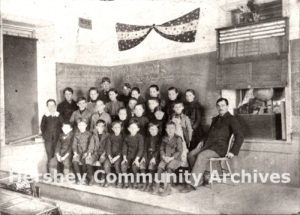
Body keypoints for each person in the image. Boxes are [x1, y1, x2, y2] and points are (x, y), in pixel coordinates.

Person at [181, 98, 244, 192]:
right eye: (218, 106)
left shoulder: (232, 119)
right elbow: (209, 134)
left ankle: (192, 184)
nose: (220, 108)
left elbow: (240, 136)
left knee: (202, 155)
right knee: (190, 155)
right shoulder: (215, 119)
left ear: (227, 106)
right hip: (208, 146)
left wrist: (233, 151)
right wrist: (202, 141)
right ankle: (201, 179)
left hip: (220, 148)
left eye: (223, 105)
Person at [153, 121, 183, 196]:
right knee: (160, 167)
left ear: (175, 129)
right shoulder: (164, 138)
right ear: (166, 129)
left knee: (169, 168)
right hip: (165, 158)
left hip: (175, 159)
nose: (170, 130)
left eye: (172, 128)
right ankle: (157, 187)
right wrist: (163, 156)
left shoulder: (178, 138)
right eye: (168, 128)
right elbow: (161, 149)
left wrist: (171, 158)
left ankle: (168, 188)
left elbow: (179, 151)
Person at [41, 99, 63, 172]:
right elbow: (42, 127)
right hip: (48, 140)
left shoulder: (58, 115)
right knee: (50, 155)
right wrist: (45, 136)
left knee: (57, 154)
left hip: (57, 139)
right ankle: (50, 173)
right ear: (47, 106)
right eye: (49, 105)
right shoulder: (45, 116)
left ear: (55, 106)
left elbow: (62, 126)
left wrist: (60, 136)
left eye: (53, 105)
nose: (51, 107)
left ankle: (59, 172)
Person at [121, 120, 144, 189]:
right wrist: (124, 158)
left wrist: (137, 159)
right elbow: (124, 148)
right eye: (131, 128)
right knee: (123, 166)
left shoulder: (140, 137)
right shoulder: (127, 137)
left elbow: (141, 149)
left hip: (137, 156)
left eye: (134, 128)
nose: (133, 129)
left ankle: (135, 182)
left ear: (138, 129)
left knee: (134, 167)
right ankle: (126, 181)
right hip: (128, 156)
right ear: (128, 129)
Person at [86, 119, 109, 186]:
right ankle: (91, 178)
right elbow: (91, 146)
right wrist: (89, 154)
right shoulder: (94, 135)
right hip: (95, 153)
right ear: (96, 127)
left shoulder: (107, 135)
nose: (100, 128)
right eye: (99, 126)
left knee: (102, 161)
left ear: (104, 127)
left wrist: (103, 154)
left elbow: (107, 146)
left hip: (104, 153)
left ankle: (102, 178)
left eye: (102, 126)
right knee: (88, 160)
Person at [170, 101, 193, 168]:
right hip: (174, 136)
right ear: (173, 108)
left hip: (182, 137)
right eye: (176, 107)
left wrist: (189, 140)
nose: (177, 108)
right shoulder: (171, 117)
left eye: (179, 107)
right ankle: (175, 166)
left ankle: (184, 167)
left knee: (183, 151)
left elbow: (189, 129)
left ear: (182, 107)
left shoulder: (185, 117)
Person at [140, 122, 161, 192]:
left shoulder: (160, 138)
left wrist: (154, 158)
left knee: (151, 166)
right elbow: (145, 149)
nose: (153, 131)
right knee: (142, 165)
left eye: (155, 129)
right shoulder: (147, 138)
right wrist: (143, 157)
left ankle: (150, 183)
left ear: (157, 130)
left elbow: (158, 150)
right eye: (151, 129)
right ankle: (144, 183)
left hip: (156, 157)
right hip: (148, 155)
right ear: (149, 130)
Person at [72, 118, 91, 184]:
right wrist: (75, 153)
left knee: (84, 162)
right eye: (79, 125)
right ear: (78, 126)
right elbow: (74, 145)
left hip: (86, 153)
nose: (81, 127)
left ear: (86, 125)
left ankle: (84, 178)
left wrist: (87, 153)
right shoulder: (76, 134)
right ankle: (78, 178)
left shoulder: (89, 134)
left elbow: (90, 145)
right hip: (78, 153)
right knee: (74, 161)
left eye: (83, 125)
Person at [104, 121, 123, 188]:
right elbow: (108, 147)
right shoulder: (110, 137)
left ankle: (119, 181)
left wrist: (116, 157)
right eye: (115, 128)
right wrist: (109, 157)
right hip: (111, 156)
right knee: (106, 164)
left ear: (121, 128)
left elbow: (123, 149)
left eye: (118, 127)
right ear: (112, 129)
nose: (117, 129)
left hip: (119, 156)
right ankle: (108, 180)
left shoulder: (123, 138)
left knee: (117, 165)